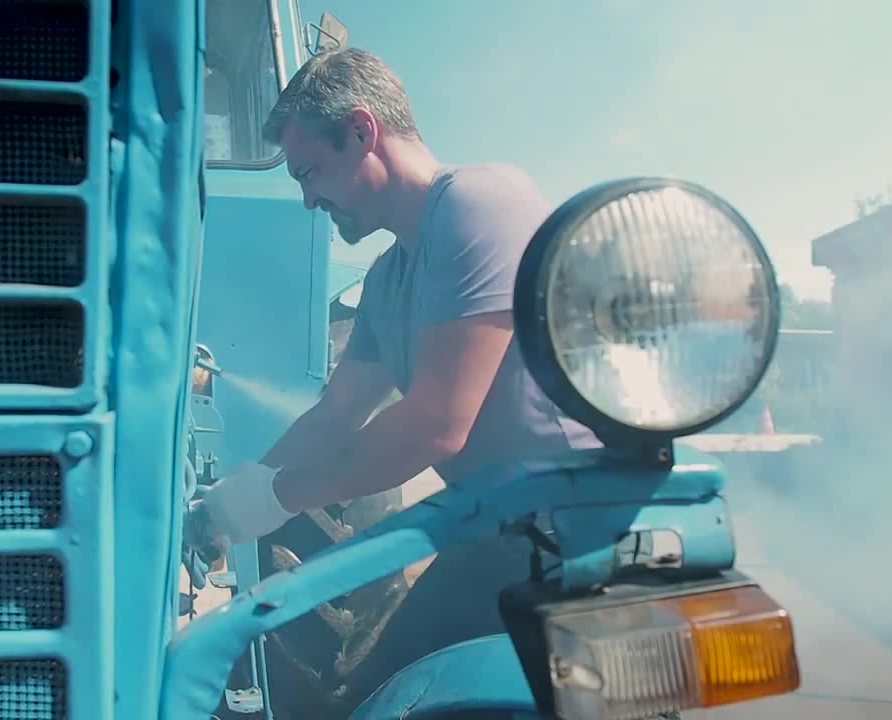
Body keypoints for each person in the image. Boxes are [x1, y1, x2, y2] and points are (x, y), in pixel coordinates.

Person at [190, 47, 598, 714]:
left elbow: (435, 425)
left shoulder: (479, 204)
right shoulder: (388, 278)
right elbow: (337, 413)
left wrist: (279, 496)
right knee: (371, 698)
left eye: (309, 173)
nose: (307, 200)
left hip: (575, 540)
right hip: (494, 534)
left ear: (361, 132)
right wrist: (239, 495)